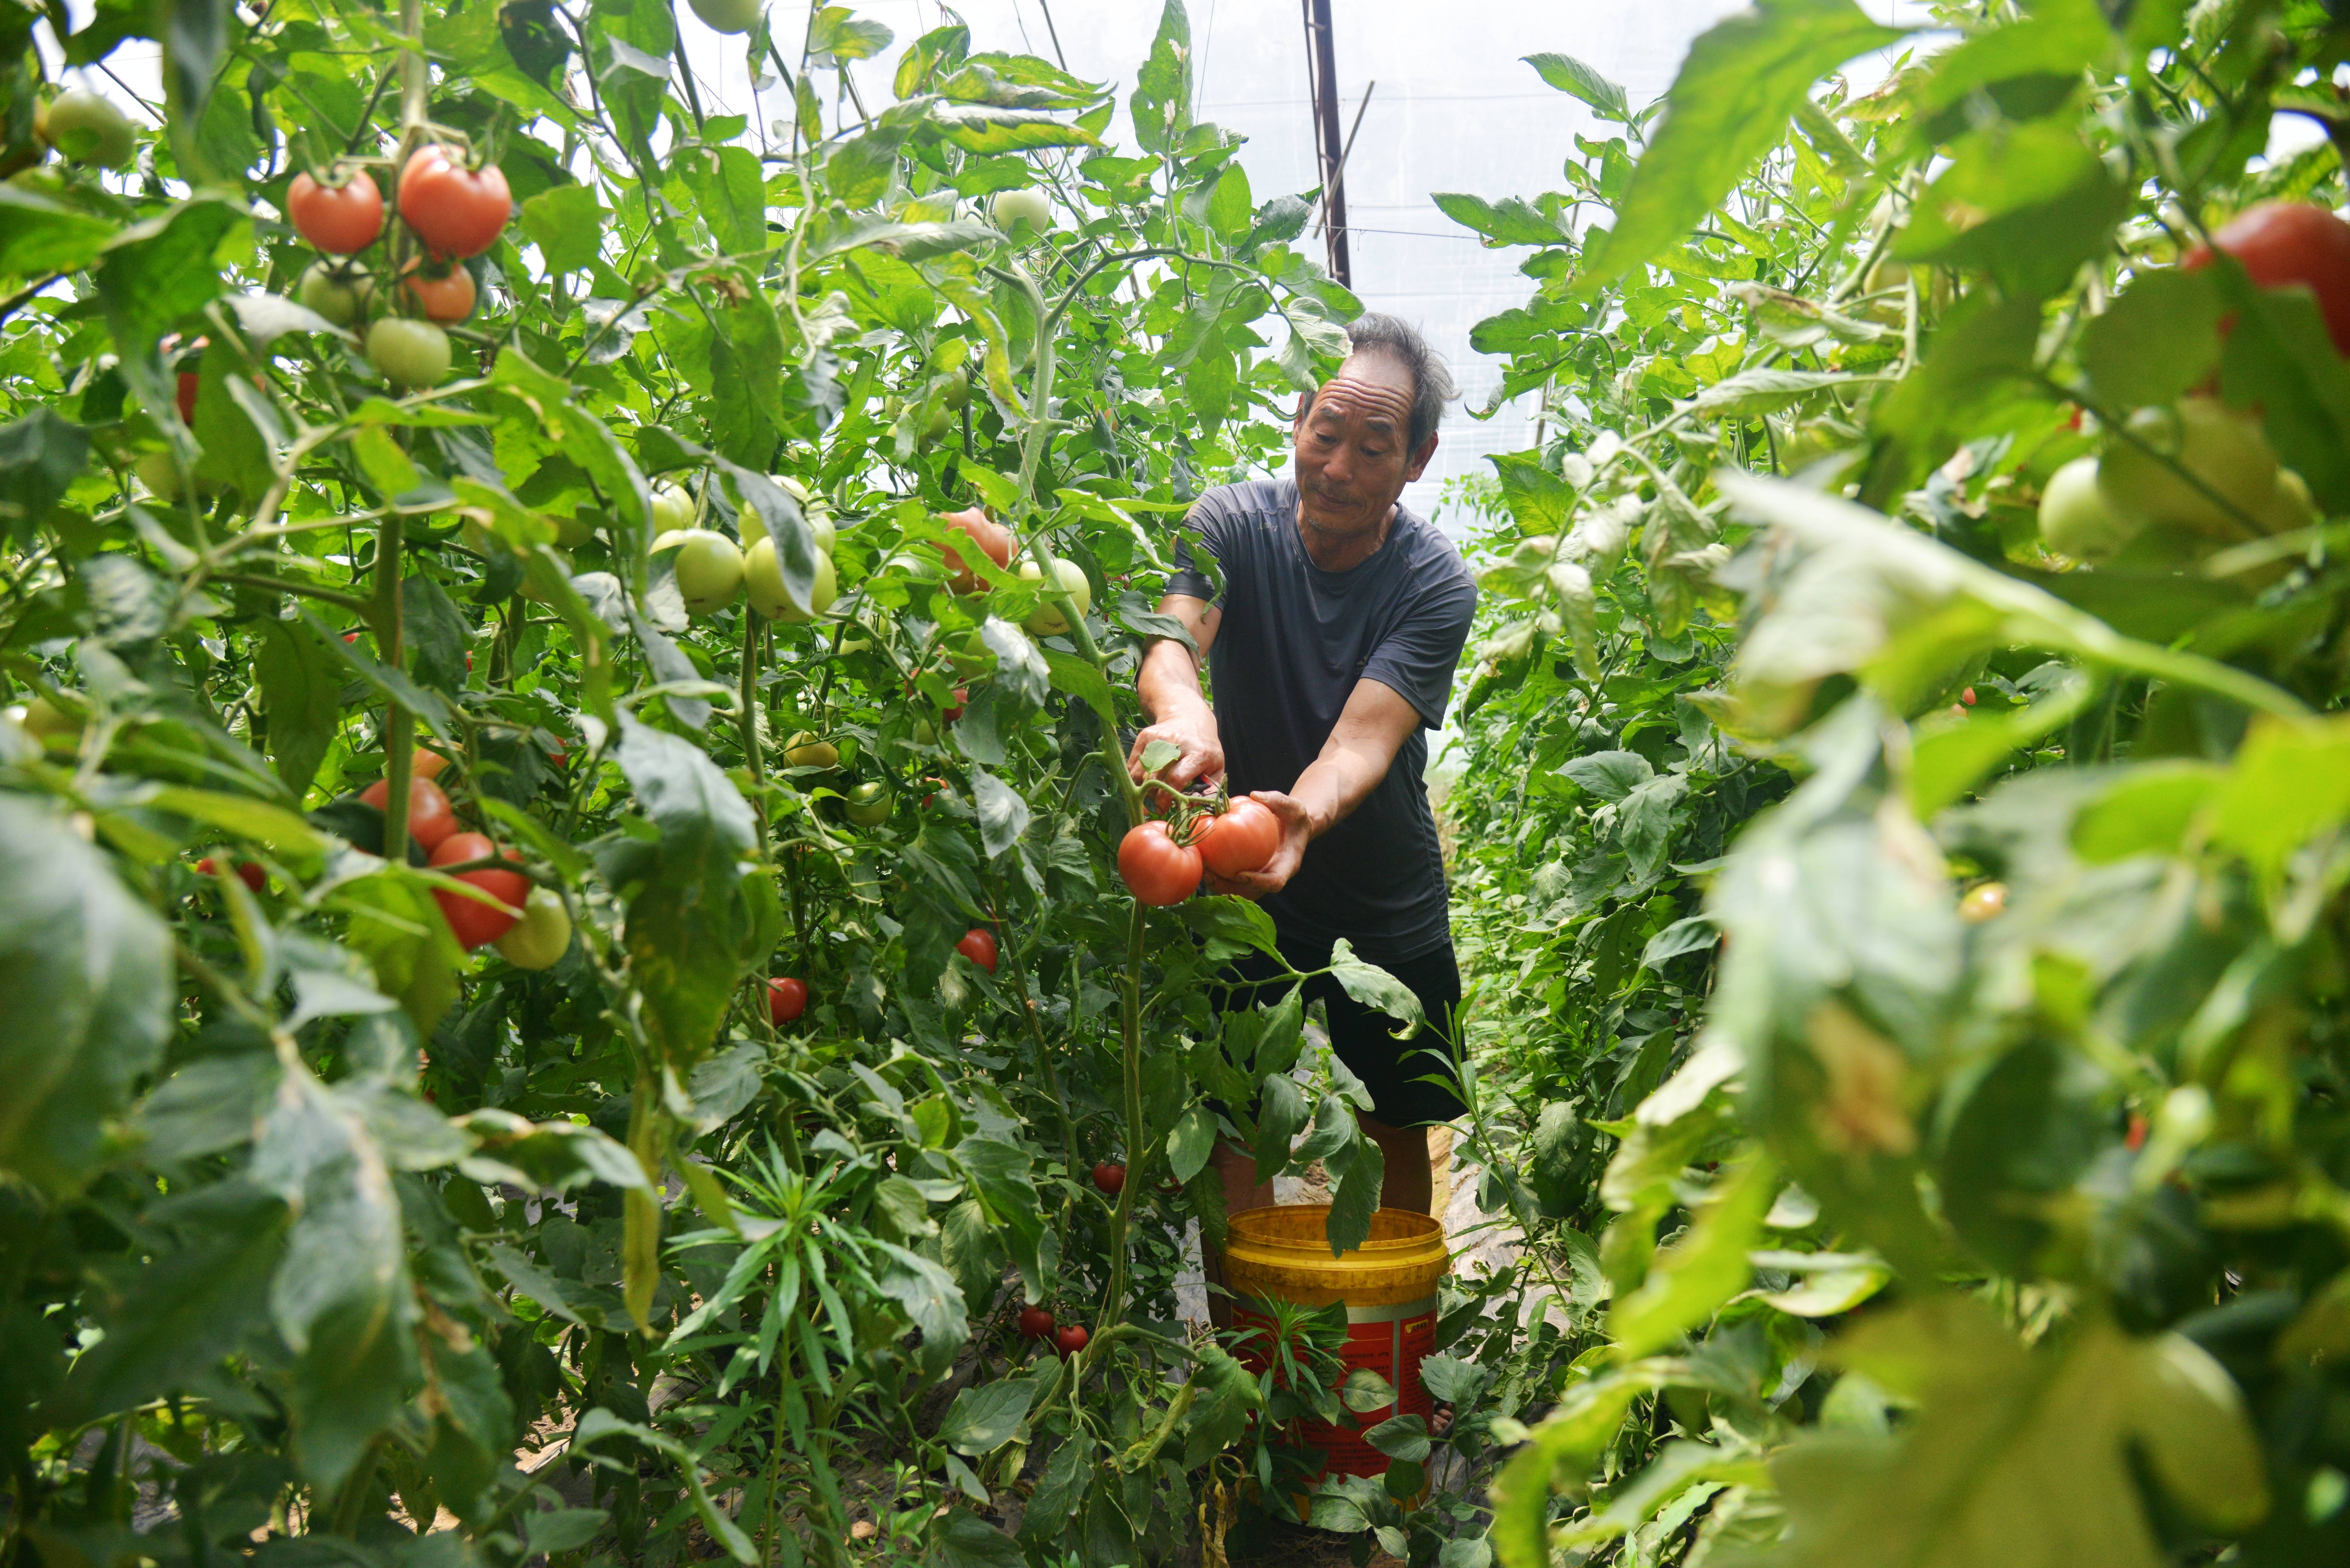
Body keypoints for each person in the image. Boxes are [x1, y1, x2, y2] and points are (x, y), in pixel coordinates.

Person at [1128, 313, 1479, 1323]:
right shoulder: (1229, 524)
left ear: (1417, 461)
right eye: (1327, 430)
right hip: (1237, 868)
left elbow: (1365, 742)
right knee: (1236, 1109)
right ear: (1298, 417)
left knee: (1399, 1111)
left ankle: (1391, 1329)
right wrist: (1183, 711)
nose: (1339, 465)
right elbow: (1172, 638)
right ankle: (1253, 1344)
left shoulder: (1431, 582)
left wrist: (1301, 815)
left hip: (1382, 873)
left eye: (1375, 446)